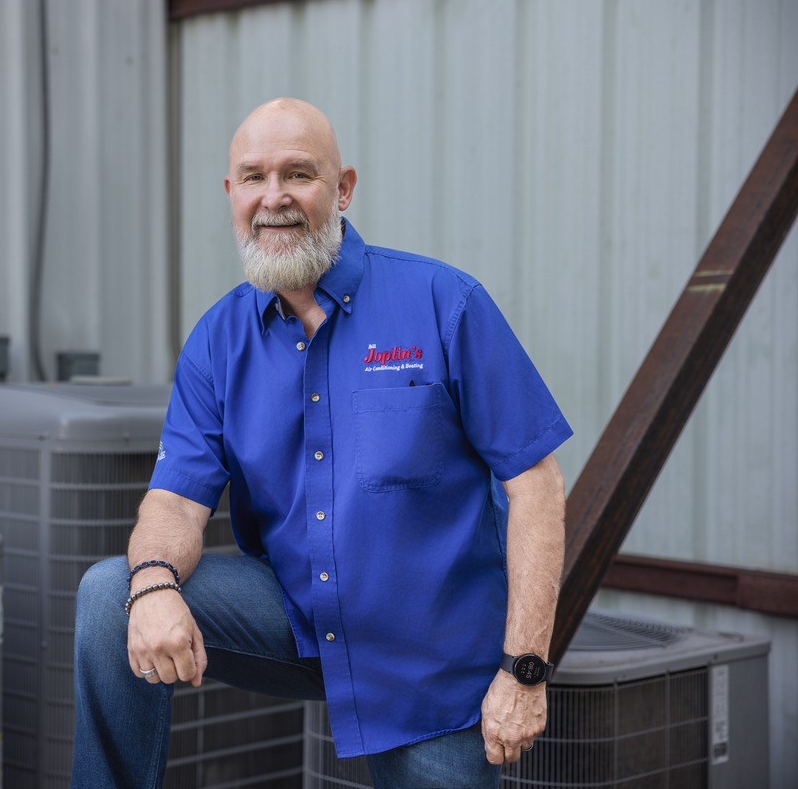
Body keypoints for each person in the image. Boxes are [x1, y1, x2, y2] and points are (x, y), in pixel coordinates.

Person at [72, 98, 571, 788]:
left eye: (296, 174)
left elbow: (535, 486)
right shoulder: (218, 340)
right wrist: (152, 583)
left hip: (432, 660)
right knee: (110, 595)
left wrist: (523, 671)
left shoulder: (442, 302)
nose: (272, 198)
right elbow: (175, 503)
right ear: (230, 194)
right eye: (252, 178)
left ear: (342, 189)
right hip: (298, 621)